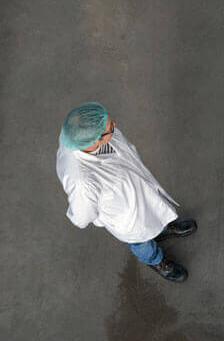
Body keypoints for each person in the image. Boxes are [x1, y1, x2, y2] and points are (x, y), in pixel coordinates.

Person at [55, 102, 196, 282]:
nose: (115, 126)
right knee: (141, 241)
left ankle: (162, 228)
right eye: (109, 129)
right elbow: (82, 216)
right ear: (93, 141)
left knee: (154, 212)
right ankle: (156, 261)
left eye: (109, 121)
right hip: (126, 215)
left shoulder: (80, 131)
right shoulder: (82, 181)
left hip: (138, 189)